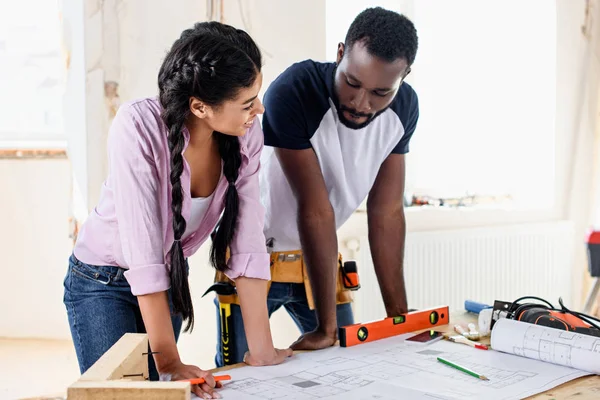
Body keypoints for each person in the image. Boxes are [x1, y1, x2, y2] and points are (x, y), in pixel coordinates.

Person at [63, 21, 292, 399]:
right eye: (248, 102)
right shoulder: (137, 125)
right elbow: (144, 248)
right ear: (200, 106)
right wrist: (169, 363)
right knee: (122, 393)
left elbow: (249, 241)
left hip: (166, 273)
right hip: (101, 282)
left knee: (164, 391)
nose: (260, 109)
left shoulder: (246, 132)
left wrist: (262, 350)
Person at [213, 7, 419, 366]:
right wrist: (326, 326)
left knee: (343, 366)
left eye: (380, 93)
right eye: (352, 82)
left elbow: (386, 212)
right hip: (253, 259)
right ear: (340, 53)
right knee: (242, 374)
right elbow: (314, 207)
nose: (360, 103)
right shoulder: (296, 88)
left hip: (318, 263)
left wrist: (398, 317)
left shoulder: (405, 109)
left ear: (404, 77)